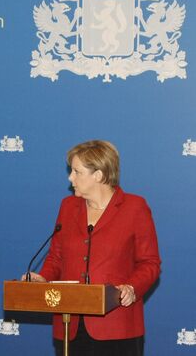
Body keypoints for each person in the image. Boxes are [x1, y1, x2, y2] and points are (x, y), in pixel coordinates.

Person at [24, 140, 160, 356]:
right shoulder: (68, 207)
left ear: (98, 175)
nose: (70, 178)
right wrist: (42, 278)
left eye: (77, 172)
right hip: (70, 326)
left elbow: (149, 263)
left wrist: (131, 288)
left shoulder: (135, 207)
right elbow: (56, 258)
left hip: (117, 326)